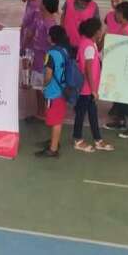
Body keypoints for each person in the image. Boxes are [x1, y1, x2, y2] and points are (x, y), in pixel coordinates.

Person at [74, 17, 113, 153]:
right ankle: (78, 140)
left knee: (92, 113)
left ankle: (98, 139)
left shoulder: (87, 42)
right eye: (100, 30)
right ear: (96, 32)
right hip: (87, 89)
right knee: (81, 114)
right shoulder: (89, 47)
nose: (101, 32)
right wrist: (93, 90)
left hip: (88, 88)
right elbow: (88, 69)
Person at [36, 25, 72, 158]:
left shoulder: (51, 54)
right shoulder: (64, 51)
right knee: (57, 117)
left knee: (55, 120)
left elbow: (48, 75)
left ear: (52, 37)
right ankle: (53, 141)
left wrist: (43, 86)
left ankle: (53, 149)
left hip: (53, 91)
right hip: (63, 89)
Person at [23, 0, 59, 123]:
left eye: (42, 2)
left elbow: (53, 42)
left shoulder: (50, 24)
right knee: (37, 88)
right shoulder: (40, 18)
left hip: (45, 60)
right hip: (37, 58)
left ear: (45, 5)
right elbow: (30, 33)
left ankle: (45, 113)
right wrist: (24, 46)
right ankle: (40, 112)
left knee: (43, 88)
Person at [104, 0, 128, 134]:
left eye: (117, 13)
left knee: (126, 99)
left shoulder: (127, 29)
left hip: (124, 68)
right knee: (120, 97)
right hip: (120, 67)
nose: (115, 15)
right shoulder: (125, 27)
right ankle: (121, 120)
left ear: (122, 14)